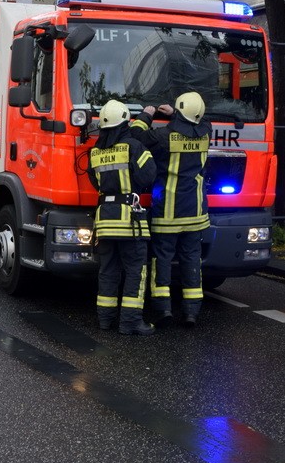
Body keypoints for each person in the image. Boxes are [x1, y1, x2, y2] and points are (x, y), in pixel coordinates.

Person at [130, 92, 212, 327]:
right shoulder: (207, 133)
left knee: (162, 260)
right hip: (196, 213)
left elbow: (136, 136)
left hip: (168, 213)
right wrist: (177, 113)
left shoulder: (165, 136)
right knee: (191, 260)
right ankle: (191, 312)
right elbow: (201, 121)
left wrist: (146, 115)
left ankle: (163, 309)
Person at [87, 100, 157, 334]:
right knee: (136, 271)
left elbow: (93, 182)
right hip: (130, 221)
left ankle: (105, 321)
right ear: (125, 122)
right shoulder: (134, 147)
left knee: (107, 271)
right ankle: (130, 322)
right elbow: (148, 176)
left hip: (105, 221)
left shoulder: (95, 152)